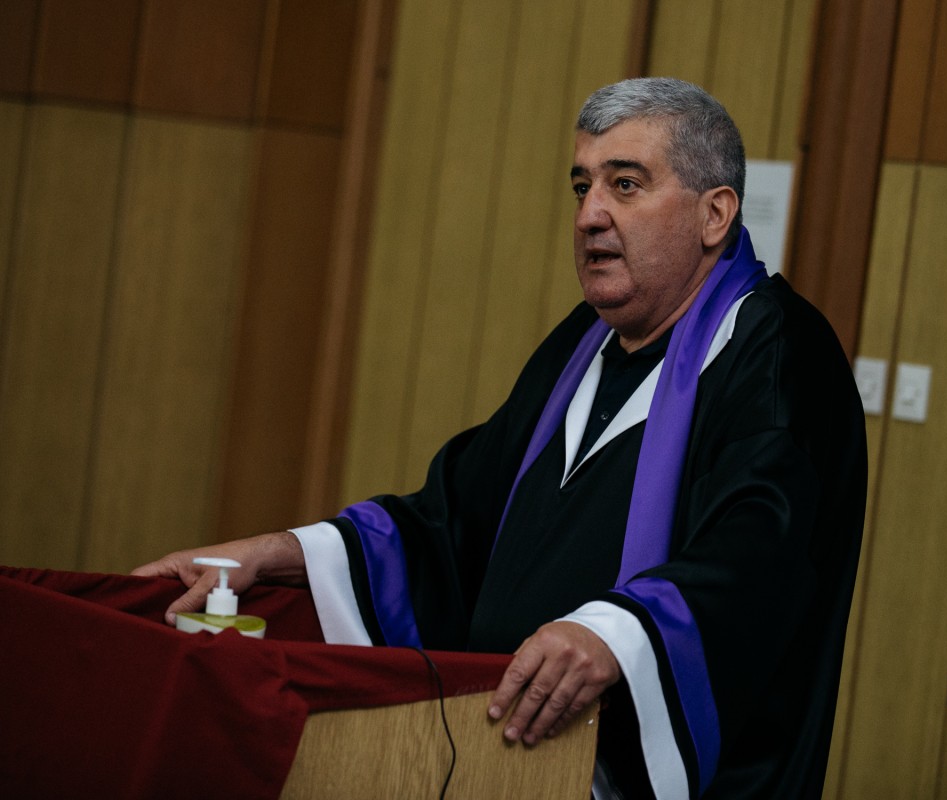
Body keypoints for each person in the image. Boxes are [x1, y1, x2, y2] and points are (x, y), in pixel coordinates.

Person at [135, 77, 867, 799]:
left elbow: (759, 559)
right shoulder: (583, 344)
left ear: (715, 214)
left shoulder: (780, 352)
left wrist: (615, 635)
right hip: (508, 760)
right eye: (581, 186)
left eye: (625, 184)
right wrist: (283, 553)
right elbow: (456, 521)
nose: (590, 215)